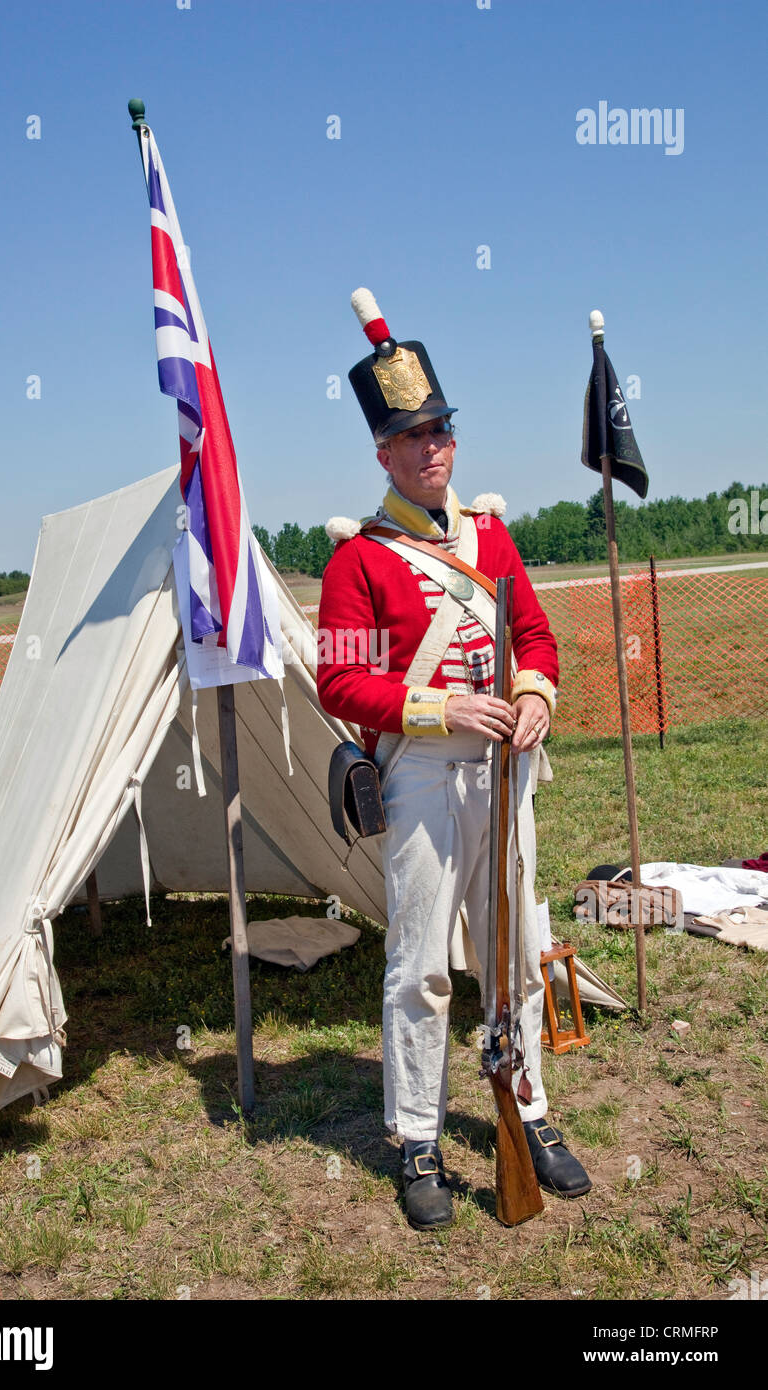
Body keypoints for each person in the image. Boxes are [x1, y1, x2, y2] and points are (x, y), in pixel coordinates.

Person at [316, 289, 591, 1230]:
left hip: (506, 777)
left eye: (440, 430)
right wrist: (438, 708)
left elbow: (541, 637)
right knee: (422, 966)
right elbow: (341, 686)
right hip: (426, 777)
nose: (431, 448)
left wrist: (530, 697)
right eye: (411, 436)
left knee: (513, 956)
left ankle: (530, 1111)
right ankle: (419, 1136)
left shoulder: (490, 536)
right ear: (384, 455)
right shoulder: (359, 560)